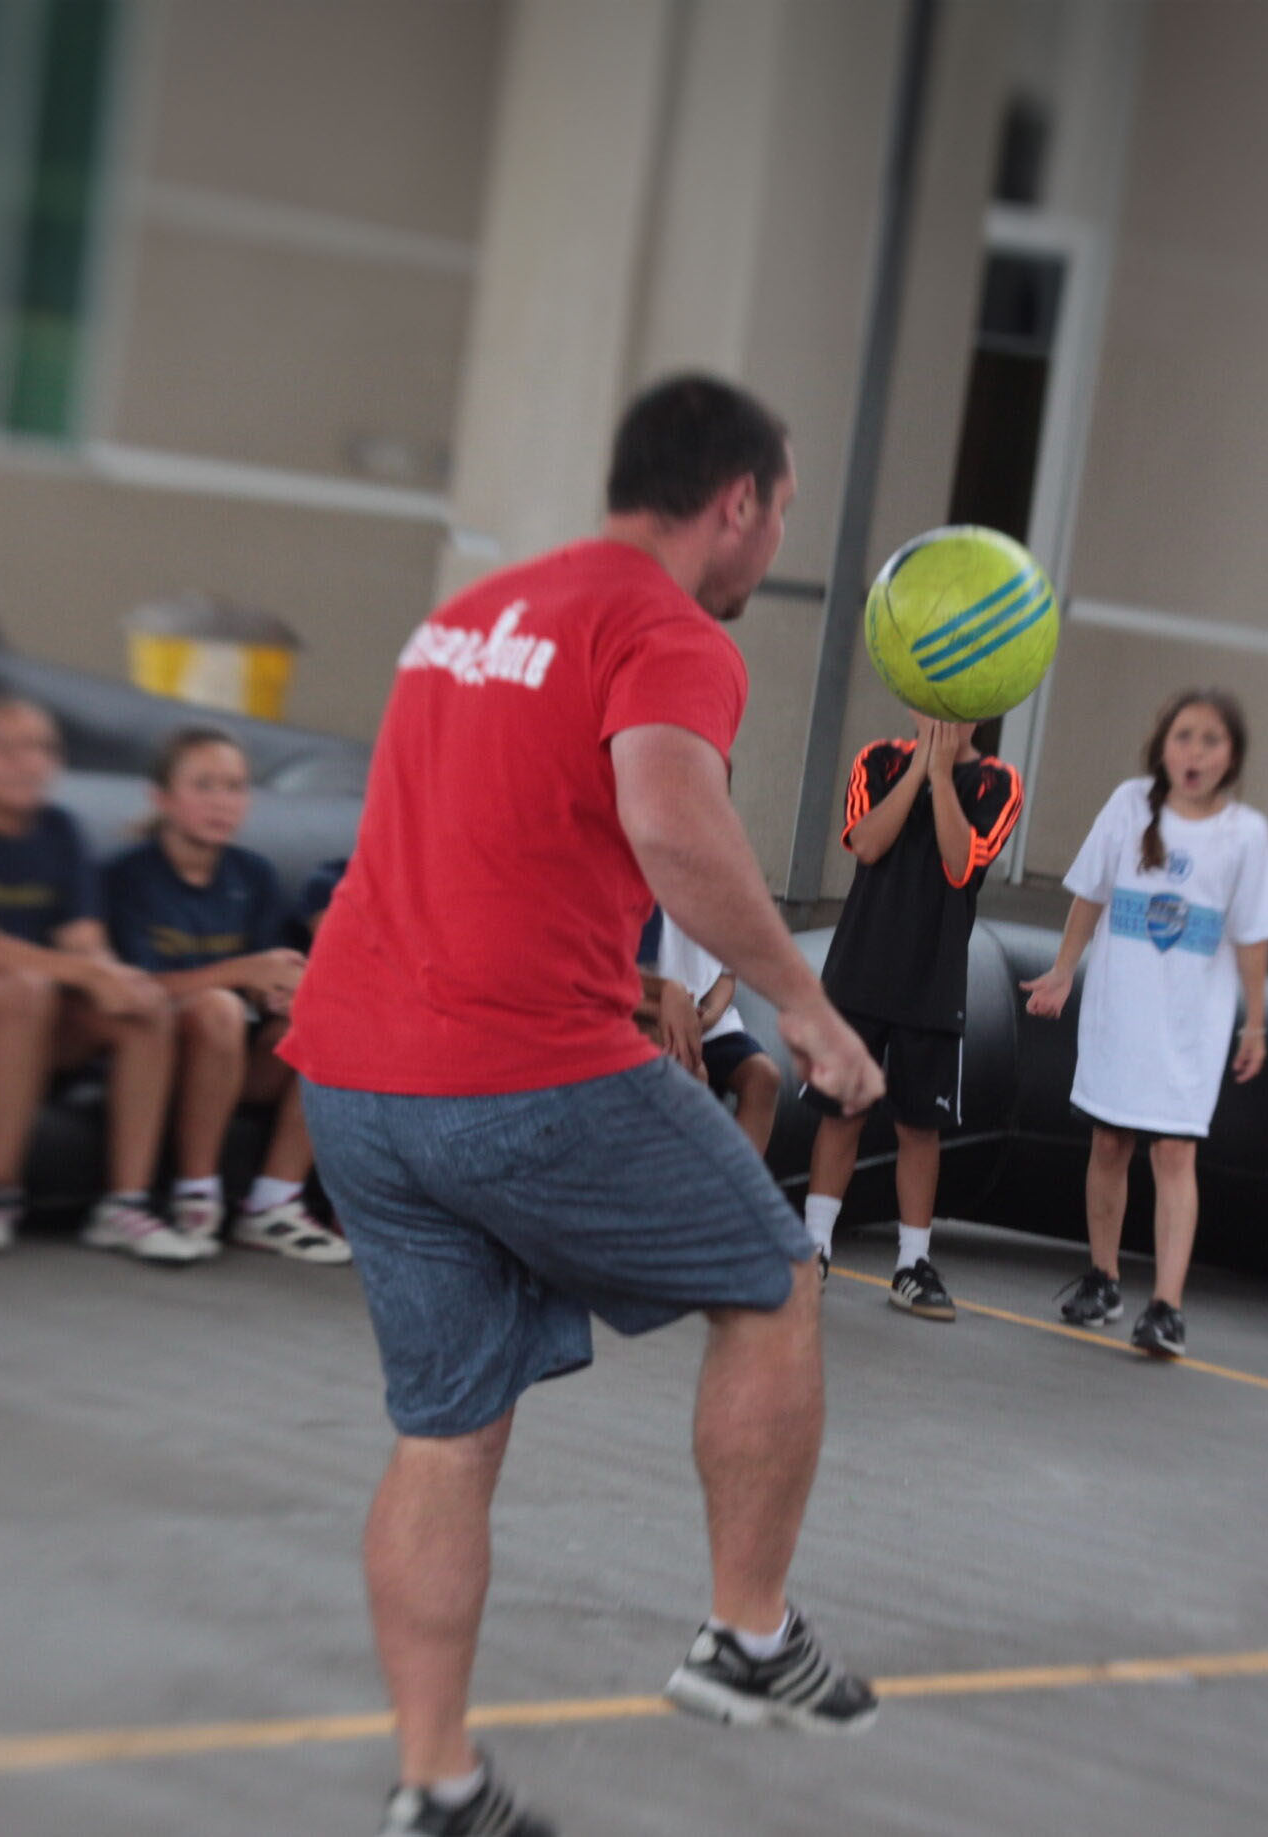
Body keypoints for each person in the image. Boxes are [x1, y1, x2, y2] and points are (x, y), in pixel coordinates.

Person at [284, 374, 887, 1837]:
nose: (776, 542)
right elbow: (671, 818)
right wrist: (804, 1008)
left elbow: (479, 835)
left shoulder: (473, 616)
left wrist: (621, 976)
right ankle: (748, 1642)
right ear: (733, 502)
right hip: (516, 1071)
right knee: (775, 1274)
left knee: (448, 1428)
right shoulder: (665, 629)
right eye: (783, 511)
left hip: (355, 1072)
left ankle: (437, 1784)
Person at [0, 692, 198, 1264]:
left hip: (40, 1004)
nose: (23, 762)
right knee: (22, 992)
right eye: (1, 749)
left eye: (38, 749)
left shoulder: (62, 831)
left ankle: (126, 1203)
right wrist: (81, 972)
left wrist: (114, 979)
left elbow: (83, 935)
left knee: (140, 1008)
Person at [1022, 689, 1268, 1357]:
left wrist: (1256, 1022)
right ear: (1162, 746)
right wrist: (1061, 970)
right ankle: (1102, 1277)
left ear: (1233, 756)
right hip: (1122, 1011)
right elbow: (1092, 893)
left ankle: (1166, 1305)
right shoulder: (1130, 804)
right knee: (1109, 1142)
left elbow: (1253, 936)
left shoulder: (1245, 835)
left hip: (1189, 1025)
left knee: (1174, 1152)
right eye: (1185, 736)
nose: (1196, 752)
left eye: (1211, 740)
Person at [797, 712, 1022, 1320]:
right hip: (860, 969)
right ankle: (814, 1244)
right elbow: (868, 843)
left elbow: (959, 864)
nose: (942, 715)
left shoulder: (997, 781)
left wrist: (944, 776)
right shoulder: (877, 759)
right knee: (841, 1111)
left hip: (934, 977)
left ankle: (912, 1262)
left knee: (920, 1126)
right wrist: (920, 764)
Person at [102, 726, 347, 1263]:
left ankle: (273, 1203)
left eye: (234, 787)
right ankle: (196, 1189)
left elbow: (258, 985)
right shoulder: (127, 875)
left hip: (234, 1062)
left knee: (327, 1017)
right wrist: (242, 972)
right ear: (162, 798)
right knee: (216, 1009)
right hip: (155, 1057)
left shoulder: (252, 875)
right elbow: (130, 990)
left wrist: (277, 995)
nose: (222, 801)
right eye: (204, 785)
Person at [641, 907, 783, 1157]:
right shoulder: (638, 890)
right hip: (650, 1016)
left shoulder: (714, 897)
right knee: (692, 1072)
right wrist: (668, 1008)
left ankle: (736, 1185)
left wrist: (708, 1015)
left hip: (705, 1020)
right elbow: (612, 979)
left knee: (764, 1076)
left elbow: (727, 976)